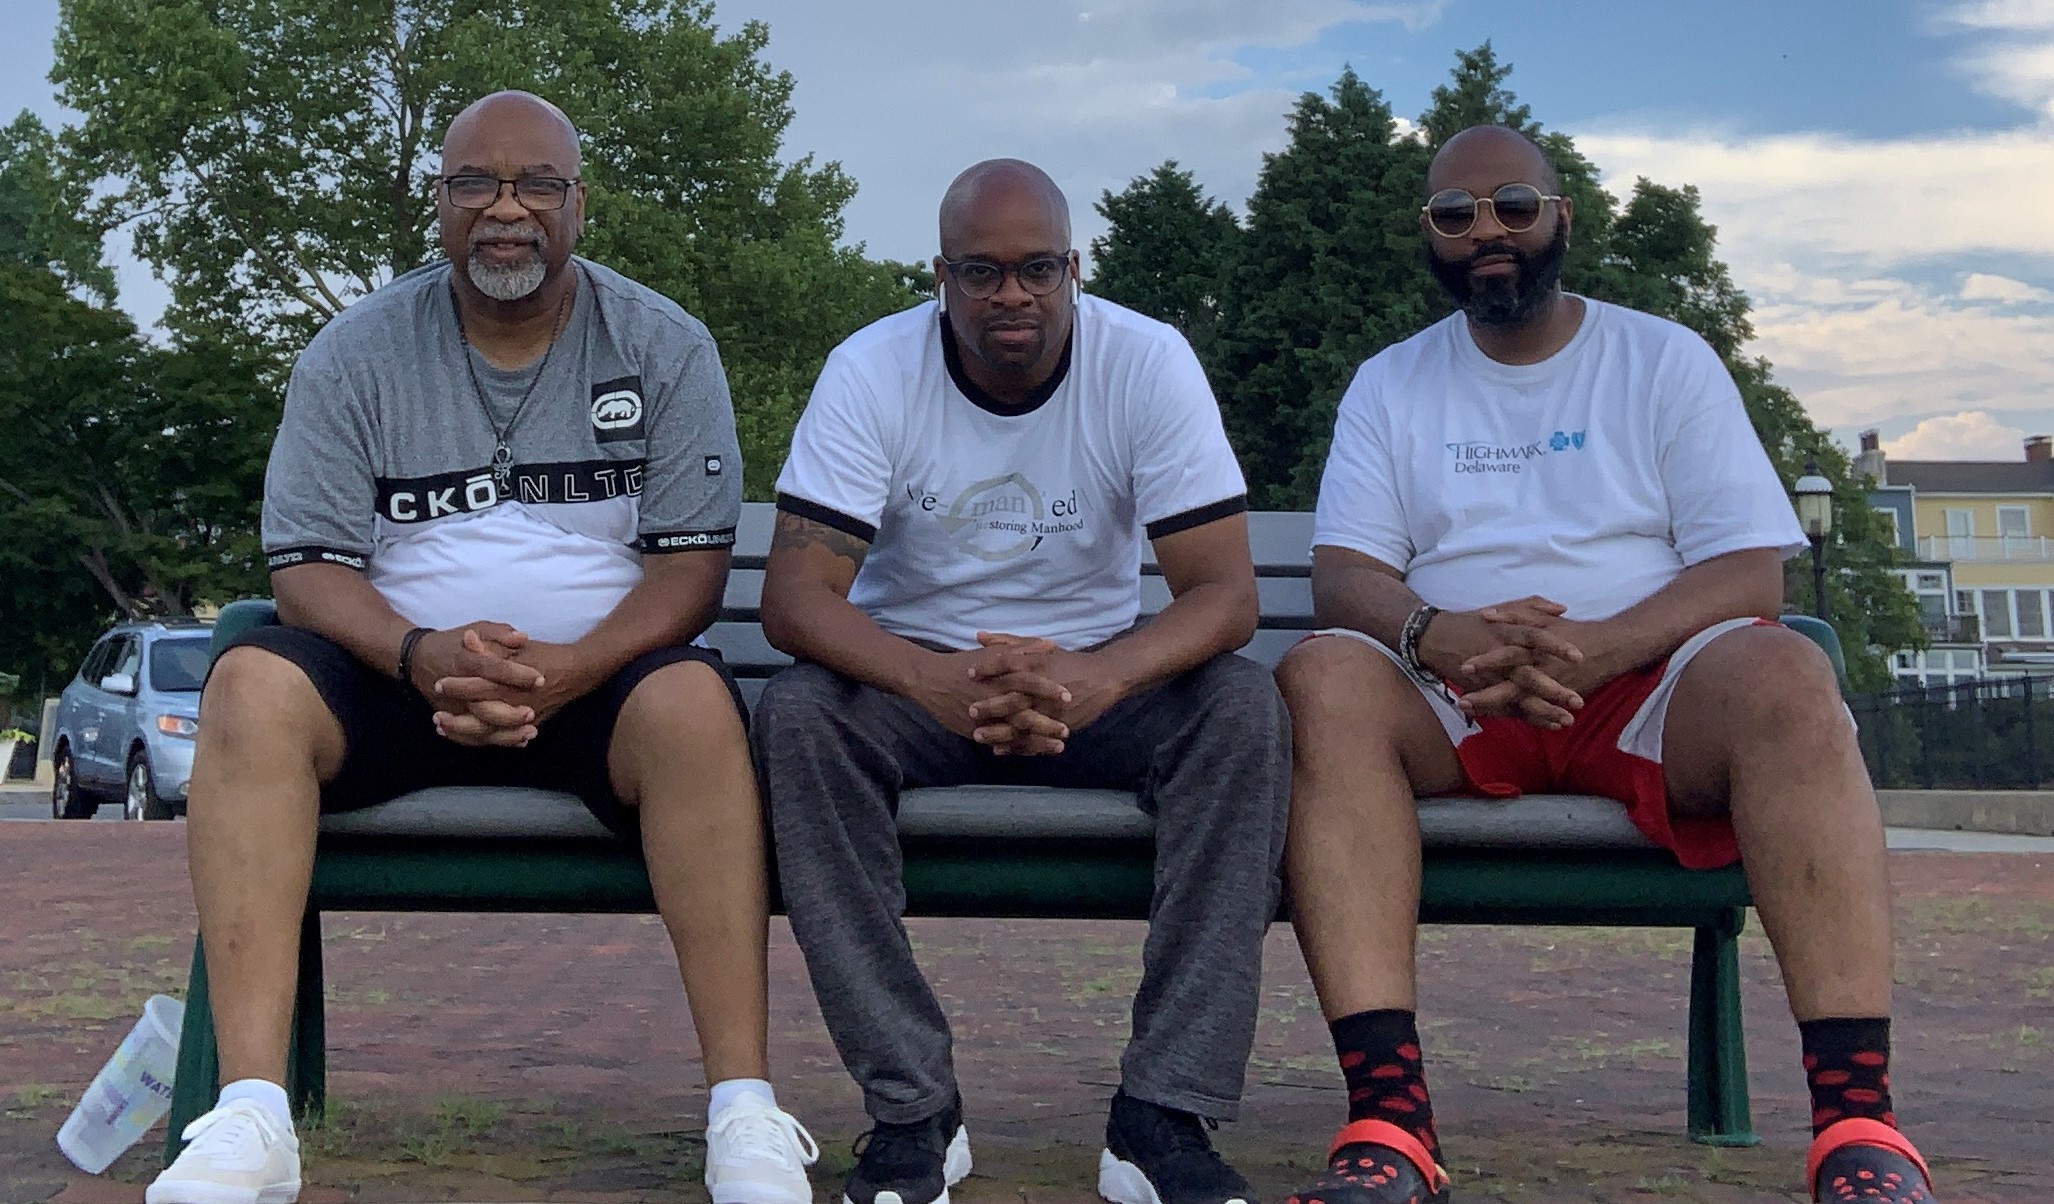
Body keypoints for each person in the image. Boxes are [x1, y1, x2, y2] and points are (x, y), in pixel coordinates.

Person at [148, 92, 818, 1204]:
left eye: (535, 186)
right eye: (476, 185)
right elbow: (306, 569)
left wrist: (575, 668)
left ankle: (742, 1109)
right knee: (250, 681)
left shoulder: (662, 344)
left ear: (578, 206)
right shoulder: (352, 353)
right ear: (441, 203)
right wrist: (419, 655)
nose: (506, 210)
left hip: (600, 686)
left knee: (698, 708)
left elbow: (691, 571)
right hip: (392, 679)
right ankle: (251, 1118)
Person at [1275, 125, 1938, 1204]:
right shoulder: (1389, 383)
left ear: (1560, 216)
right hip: (1456, 691)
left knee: (1786, 677)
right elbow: (1347, 572)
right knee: (1319, 676)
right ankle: (1389, 1128)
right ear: (1428, 235)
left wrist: (1598, 648)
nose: (1484, 230)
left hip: (1644, 688)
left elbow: (1745, 574)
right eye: (1454, 214)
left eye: (1510, 206)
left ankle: (1857, 1127)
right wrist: (1431, 634)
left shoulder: (1661, 358)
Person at [753, 159, 1291, 1204]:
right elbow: (795, 599)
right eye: (982, 272)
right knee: (801, 716)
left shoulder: (1145, 361)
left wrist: (1097, 676)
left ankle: (1160, 1117)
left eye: (1037, 268)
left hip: (1098, 683)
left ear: (1073, 268)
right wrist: (932, 680)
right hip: (918, 690)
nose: (1013, 295)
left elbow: (1223, 596)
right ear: (939, 276)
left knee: (1240, 708)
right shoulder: (870, 370)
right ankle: (912, 1111)